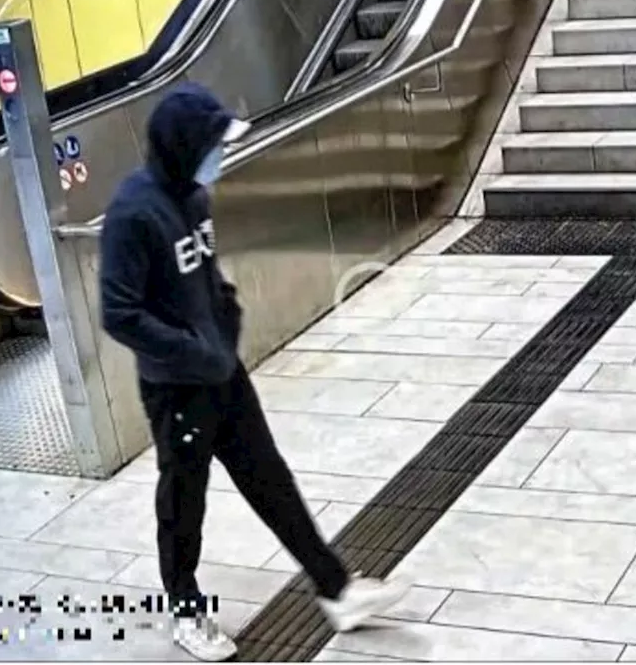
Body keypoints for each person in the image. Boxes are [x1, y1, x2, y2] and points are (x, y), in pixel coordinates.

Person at [99, 83, 410, 661]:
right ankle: (186, 610)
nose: (221, 155)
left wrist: (227, 316)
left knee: (270, 479)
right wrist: (194, 351)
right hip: (176, 390)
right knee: (183, 501)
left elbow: (205, 273)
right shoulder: (132, 214)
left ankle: (336, 589)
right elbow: (119, 314)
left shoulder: (194, 197)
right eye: (214, 144)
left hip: (225, 375)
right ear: (185, 145)